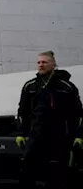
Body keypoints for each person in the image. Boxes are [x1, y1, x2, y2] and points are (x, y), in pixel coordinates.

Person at [16, 50, 83, 188]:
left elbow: (78, 114)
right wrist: (20, 133)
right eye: (39, 62)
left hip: (59, 138)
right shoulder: (30, 86)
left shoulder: (66, 87)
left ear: (53, 65)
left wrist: (79, 136)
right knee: (27, 172)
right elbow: (22, 112)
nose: (41, 65)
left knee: (56, 175)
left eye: (44, 62)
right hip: (36, 137)